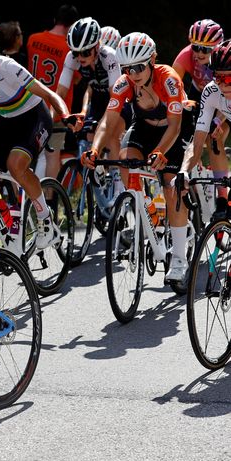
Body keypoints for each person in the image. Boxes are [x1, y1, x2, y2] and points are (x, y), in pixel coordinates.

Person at [0, 20, 79, 249]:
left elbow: (49, 94)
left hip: (33, 118)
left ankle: (45, 218)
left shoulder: (7, 67)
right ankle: (6, 231)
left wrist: (66, 115)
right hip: (3, 122)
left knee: (16, 165)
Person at [82, 32, 194, 283]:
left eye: (139, 67)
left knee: (171, 185)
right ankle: (145, 210)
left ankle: (178, 258)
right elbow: (106, 123)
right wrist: (95, 150)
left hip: (173, 129)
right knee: (125, 159)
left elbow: (175, 127)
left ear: (152, 60)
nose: (133, 74)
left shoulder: (169, 80)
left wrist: (160, 152)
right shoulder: (124, 83)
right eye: (128, 68)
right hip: (144, 126)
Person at [58, 17, 125, 196]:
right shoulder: (73, 57)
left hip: (117, 99)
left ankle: (118, 188)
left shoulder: (109, 55)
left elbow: (115, 98)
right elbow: (60, 94)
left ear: (97, 46)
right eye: (76, 53)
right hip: (97, 100)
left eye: (85, 53)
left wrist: (104, 124)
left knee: (111, 135)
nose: (80, 57)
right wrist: (59, 117)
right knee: (88, 134)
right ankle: (101, 179)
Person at [173, 19, 229, 216]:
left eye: (204, 50)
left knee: (216, 139)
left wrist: (218, 120)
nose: (198, 54)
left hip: (223, 102)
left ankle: (223, 195)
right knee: (199, 136)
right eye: (195, 47)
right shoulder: (212, 89)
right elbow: (172, 84)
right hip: (201, 94)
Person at [26, 4, 80, 179]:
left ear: (55, 20)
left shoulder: (33, 39)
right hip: (55, 107)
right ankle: (48, 200)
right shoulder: (68, 49)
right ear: (72, 25)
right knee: (51, 156)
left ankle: (24, 199)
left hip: (30, 103)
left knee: (26, 153)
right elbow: (76, 78)